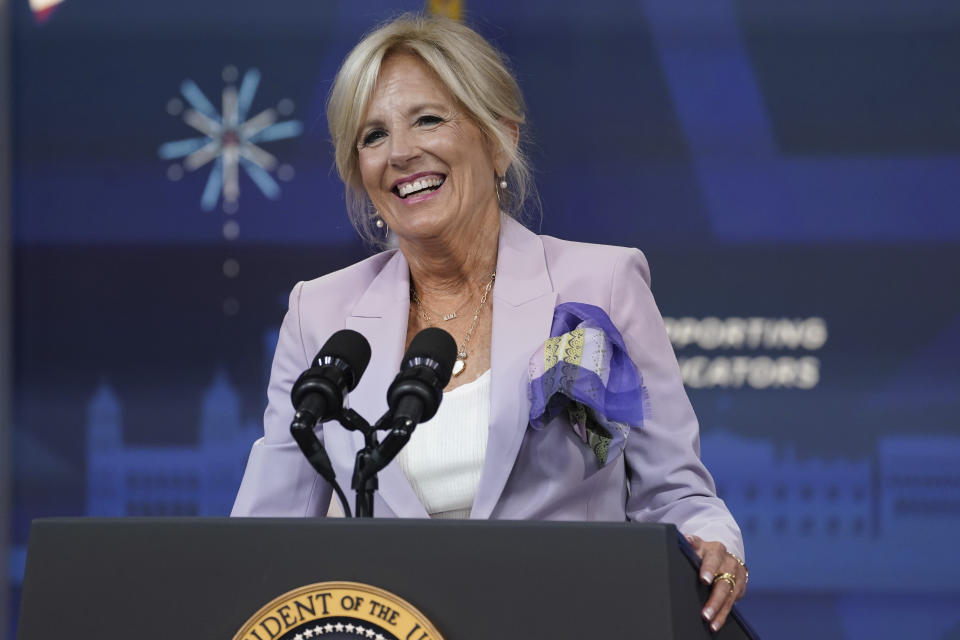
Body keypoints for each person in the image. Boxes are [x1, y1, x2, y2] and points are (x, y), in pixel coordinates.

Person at [233, 13, 748, 632]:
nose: (400, 153)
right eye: (372, 135)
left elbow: (677, 494)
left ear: (498, 137)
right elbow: (265, 538)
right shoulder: (320, 314)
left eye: (429, 119)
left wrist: (712, 544)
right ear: (358, 172)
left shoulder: (600, 284)